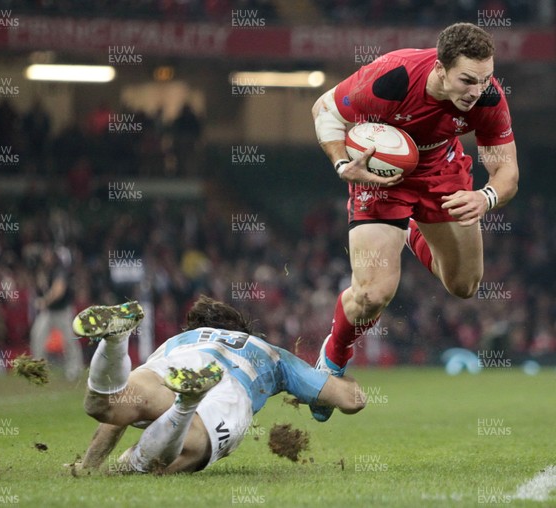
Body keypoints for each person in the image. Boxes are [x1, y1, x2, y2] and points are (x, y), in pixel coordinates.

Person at [309, 22, 519, 421]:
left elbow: (507, 173)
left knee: (464, 285)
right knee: (373, 294)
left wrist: (484, 197)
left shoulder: (488, 96)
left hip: (443, 174)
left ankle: (409, 230)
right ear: (440, 68)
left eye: (486, 78)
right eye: (467, 80)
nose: (476, 90)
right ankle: (333, 360)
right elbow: (324, 110)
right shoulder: (393, 77)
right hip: (382, 179)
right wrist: (341, 163)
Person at [72, 296, 366, 474]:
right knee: (189, 450)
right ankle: (187, 403)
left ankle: (116, 340)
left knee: (109, 404)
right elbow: (350, 399)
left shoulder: (179, 340)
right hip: (230, 387)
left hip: (172, 366)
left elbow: (114, 421)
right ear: (243, 331)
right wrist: (333, 365)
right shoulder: (269, 353)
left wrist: (88, 467)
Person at [29, 245, 83, 381]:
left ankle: (74, 369)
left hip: (63, 311)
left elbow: (58, 291)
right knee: (37, 335)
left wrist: (44, 301)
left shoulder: (60, 270)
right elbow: (43, 287)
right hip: (49, 312)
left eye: (48, 255)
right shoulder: (45, 270)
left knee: (70, 341)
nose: (45, 257)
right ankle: (38, 370)